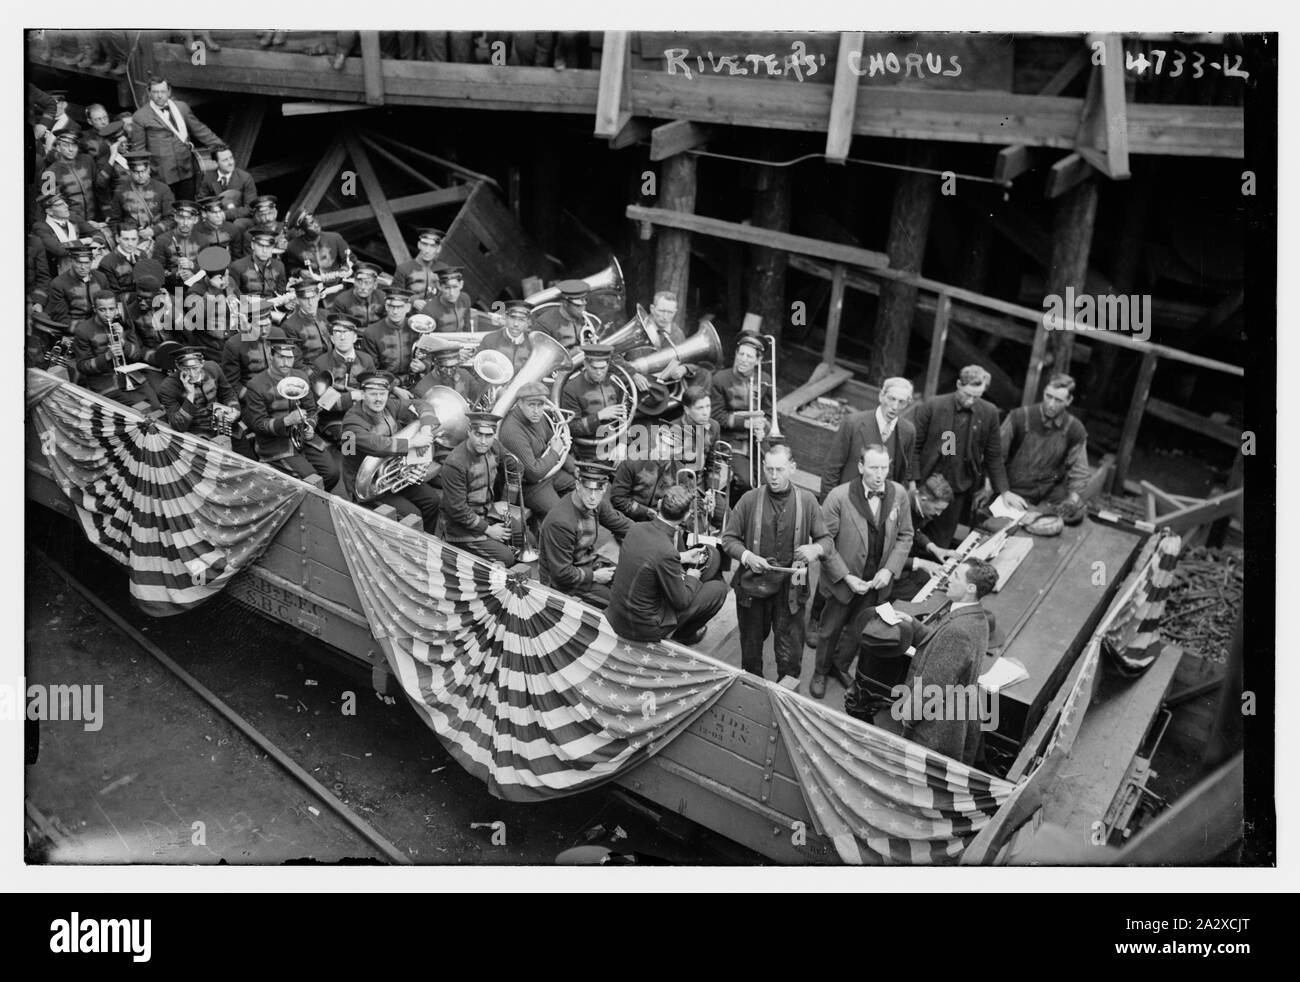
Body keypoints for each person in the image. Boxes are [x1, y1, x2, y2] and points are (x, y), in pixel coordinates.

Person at [721, 442, 832, 684]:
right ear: (763, 467)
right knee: (750, 656)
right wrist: (748, 557)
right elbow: (728, 539)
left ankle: (787, 705)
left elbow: (826, 540)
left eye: (779, 470)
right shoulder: (750, 500)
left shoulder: (808, 502)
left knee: (791, 657)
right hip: (753, 588)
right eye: (769, 469)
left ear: (792, 468)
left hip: (791, 589)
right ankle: (750, 696)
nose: (773, 476)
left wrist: (815, 548)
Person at [809, 445, 914, 699]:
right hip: (842, 581)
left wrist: (889, 571)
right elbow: (824, 541)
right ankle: (821, 671)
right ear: (860, 467)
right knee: (829, 629)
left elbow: (905, 535)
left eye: (884, 468)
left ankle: (840, 666)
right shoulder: (838, 496)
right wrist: (846, 577)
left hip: (876, 583)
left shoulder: (899, 494)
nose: (880, 474)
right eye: (873, 468)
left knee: (860, 630)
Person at [896, 559, 1000, 765]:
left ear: (970, 588)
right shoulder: (977, 616)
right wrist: (915, 626)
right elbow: (944, 646)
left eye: (956, 576)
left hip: (934, 730)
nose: (949, 578)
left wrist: (907, 717)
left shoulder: (957, 631)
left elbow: (933, 683)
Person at [909, 365, 1025, 549]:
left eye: (976, 397)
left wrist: (1004, 490)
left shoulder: (989, 412)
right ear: (958, 384)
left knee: (940, 543)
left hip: (956, 490)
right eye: (967, 394)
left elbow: (993, 455)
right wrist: (912, 483)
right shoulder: (933, 405)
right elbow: (913, 447)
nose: (971, 401)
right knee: (909, 533)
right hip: (925, 485)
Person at [605, 485, 728, 645]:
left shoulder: (636, 528)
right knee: (718, 590)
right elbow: (681, 601)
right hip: (642, 628)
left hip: (617, 614)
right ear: (686, 517)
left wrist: (681, 557)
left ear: (659, 504)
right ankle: (684, 636)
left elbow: (650, 556)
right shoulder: (667, 551)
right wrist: (692, 577)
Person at [339, 371, 442, 531]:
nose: (379, 399)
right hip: (365, 484)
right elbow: (375, 444)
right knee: (412, 515)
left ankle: (427, 542)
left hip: (393, 473)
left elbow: (422, 404)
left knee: (432, 500)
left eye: (383, 393)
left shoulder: (390, 406)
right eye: (373, 394)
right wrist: (412, 443)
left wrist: (426, 429)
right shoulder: (351, 421)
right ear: (362, 394)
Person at [241, 335, 340, 489]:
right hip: (276, 444)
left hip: (304, 437)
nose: (286, 363)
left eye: (290, 358)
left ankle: (314, 501)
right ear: (270, 355)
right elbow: (258, 424)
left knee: (332, 473)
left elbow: (312, 410)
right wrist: (286, 421)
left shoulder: (300, 376)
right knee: (313, 480)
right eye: (281, 357)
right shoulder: (256, 385)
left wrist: (311, 427)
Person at [995, 373, 1090, 525]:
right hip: (1014, 492)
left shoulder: (1075, 429)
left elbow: (1080, 472)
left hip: (1049, 495)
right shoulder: (1019, 417)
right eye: (1048, 396)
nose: (1051, 404)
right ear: (1044, 392)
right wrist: (1003, 491)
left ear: (1069, 401)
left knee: (1068, 523)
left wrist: (1072, 501)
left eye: (1058, 400)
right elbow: (996, 456)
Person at [538, 461, 632, 608]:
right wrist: (594, 576)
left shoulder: (595, 503)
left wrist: (656, 534)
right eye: (588, 489)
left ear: (605, 488)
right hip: (564, 584)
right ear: (578, 485)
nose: (593, 496)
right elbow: (561, 574)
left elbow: (623, 525)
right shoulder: (561, 522)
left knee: (629, 583)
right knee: (619, 604)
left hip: (587, 563)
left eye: (598, 490)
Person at [439, 411, 519, 565]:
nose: (483, 441)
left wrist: (506, 500)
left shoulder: (495, 447)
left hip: (489, 511)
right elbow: (457, 510)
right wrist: (488, 530)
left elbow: (516, 467)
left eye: (488, 436)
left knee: (522, 535)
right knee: (506, 557)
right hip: (460, 528)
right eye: (478, 434)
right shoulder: (455, 463)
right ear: (469, 432)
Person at [130, 77, 222, 203]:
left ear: (169, 91)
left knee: (188, 206)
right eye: (155, 92)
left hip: (186, 169)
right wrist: (143, 177)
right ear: (149, 93)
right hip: (161, 174)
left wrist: (221, 147)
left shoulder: (181, 107)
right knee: (168, 209)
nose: (159, 96)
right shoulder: (140, 116)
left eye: (162, 92)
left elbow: (199, 129)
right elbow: (139, 151)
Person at [820, 376, 916, 496]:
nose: (895, 406)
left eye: (901, 402)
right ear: (881, 396)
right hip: (849, 501)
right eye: (891, 399)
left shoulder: (908, 431)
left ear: (907, 403)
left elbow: (904, 472)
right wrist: (828, 506)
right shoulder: (853, 423)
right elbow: (832, 469)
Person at [498, 381, 576, 521]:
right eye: (531, 405)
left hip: (548, 473)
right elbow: (534, 473)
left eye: (540, 405)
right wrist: (555, 452)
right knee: (560, 516)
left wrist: (574, 468)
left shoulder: (537, 418)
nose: (536, 411)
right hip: (529, 486)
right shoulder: (512, 432)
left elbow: (554, 439)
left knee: (580, 490)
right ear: (520, 403)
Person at [71, 290, 158, 408]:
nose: (108, 314)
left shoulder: (125, 323)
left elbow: (137, 355)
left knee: (156, 404)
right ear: (95, 309)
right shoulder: (83, 331)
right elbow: (82, 366)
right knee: (142, 407)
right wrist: (106, 356)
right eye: (102, 310)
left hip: (133, 377)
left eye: (111, 309)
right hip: (106, 383)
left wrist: (123, 342)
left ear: (117, 308)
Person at [710, 333, 770, 498]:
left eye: (749, 356)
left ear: (758, 360)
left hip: (757, 440)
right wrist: (745, 423)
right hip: (730, 440)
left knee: (768, 479)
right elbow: (716, 415)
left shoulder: (765, 380)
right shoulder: (720, 379)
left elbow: (770, 414)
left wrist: (763, 428)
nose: (744, 359)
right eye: (741, 354)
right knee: (746, 481)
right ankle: (734, 510)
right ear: (736, 354)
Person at [156, 346, 240, 448]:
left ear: (202, 363)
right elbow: (179, 426)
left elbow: (228, 393)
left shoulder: (213, 369)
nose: (192, 374)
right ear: (178, 367)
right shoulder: (168, 387)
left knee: (246, 455)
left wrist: (234, 410)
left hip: (223, 421)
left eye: (195, 368)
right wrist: (190, 394)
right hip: (196, 433)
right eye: (186, 369)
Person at [312, 314, 375, 444]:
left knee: (387, 431)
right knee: (351, 442)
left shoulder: (366, 359)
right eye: (337, 332)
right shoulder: (321, 363)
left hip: (364, 414)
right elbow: (323, 403)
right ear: (332, 338)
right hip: (334, 419)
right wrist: (352, 396)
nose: (342, 336)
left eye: (347, 332)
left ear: (355, 337)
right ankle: (349, 463)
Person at [560, 343, 627, 462]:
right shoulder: (571, 389)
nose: (599, 372)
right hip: (588, 452)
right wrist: (599, 416)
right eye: (594, 368)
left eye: (603, 368)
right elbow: (571, 428)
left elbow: (626, 415)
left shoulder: (615, 381)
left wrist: (622, 444)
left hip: (616, 445)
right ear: (585, 364)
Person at [110, 150, 175, 246]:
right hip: (130, 241)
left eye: (143, 171)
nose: (140, 176)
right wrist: (121, 237)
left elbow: (171, 219)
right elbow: (114, 221)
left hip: (159, 238)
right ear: (130, 172)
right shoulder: (120, 191)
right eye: (136, 172)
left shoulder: (163, 189)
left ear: (149, 169)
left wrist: (153, 231)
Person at [32, 192, 95, 280]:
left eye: (65, 203)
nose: (66, 206)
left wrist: (95, 244)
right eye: (60, 205)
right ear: (49, 211)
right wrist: (84, 241)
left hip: (81, 267)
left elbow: (95, 232)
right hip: (56, 275)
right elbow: (60, 250)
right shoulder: (41, 227)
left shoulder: (73, 217)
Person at [360, 286, 419, 376]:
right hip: (383, 381)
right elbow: (370, 368)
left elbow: (427, 356)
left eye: (400, 307)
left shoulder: (416, 328)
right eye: (392, 306)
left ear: (408, 307)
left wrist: (424, 365)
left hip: (414, 379)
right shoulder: (372, 332)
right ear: (386, 306)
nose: (395, 312)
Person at [41, 130, 98, 223]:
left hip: (95, 220)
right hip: (71, 222)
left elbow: (98, 188)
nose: (71, 149)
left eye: (74, 145)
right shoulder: (50, 173)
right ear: (58, 148)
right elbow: (53, 205)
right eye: (66, 145)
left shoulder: (87, 160)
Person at [47, 244, 109, 325]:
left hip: (101, 324)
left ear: (92, 261)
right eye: (79, 263)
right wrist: (86, 329)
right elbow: (60, 318)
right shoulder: (58, 284)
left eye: (87, 263)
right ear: (71, 261)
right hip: (75, 329)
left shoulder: (100, 277)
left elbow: (108, 303)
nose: (83, 267)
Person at [197, 145, 258, 226]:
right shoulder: (208, 177)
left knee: (238, 224)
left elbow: (250, 208)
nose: (230, 162)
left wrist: (224, 215)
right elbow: (201, 202)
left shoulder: (246, 178)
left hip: (241, 218)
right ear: (216, 163)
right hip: (215, 218)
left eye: (231, 158)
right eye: (225, 160)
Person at [282, 210, 351, 282]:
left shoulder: (335, 238)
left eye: (315, 221)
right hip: (313, 288)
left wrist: (344, 269)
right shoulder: (292, 246)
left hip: (339, 284)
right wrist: (299, 272)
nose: (316, 225)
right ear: (302, 230)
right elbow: (289, 268)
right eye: (311, 224)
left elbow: (351, 259)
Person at [534, 279, 601, 354]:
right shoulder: (545, 324)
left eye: (584, 305)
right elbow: (544, 355)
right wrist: (572, 353)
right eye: (578, 306)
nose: (583, 309)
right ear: (565, 303)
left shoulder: (589, 320)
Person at [280, 274, 332, 364]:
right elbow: (296, 361)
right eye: (305, 299)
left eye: (313, 297)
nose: (311, 303)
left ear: (318, 296)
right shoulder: (289, 326)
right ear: (297, 300)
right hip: (311, 371)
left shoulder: (326, 314)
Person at [391, 228, 444, 310]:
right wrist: (412, 301)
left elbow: (449, 297)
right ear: (419, 245)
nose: (427, 250)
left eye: (432, 246)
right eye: (424, 244)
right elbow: (393, 295)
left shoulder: (443, 269)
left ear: (439, 249)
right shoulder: (404, 268)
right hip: (409, 316)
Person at [477, 301, 535, 375]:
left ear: (528, 322)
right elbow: (478, 370)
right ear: (506, 317)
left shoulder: (533, 345)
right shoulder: (489, 340)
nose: (516, 324)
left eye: (521, 320)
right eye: (512, 318)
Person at [153, 200, 203, 286]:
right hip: (174, 286)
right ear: (175, 217)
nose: (185, 223)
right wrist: (175, 274)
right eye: (181, 218)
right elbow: (157, 270)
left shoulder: (203, 240)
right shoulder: (162, 240)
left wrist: (192, 267)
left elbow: (208, 270)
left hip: (197, 285)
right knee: (178, 297)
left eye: (190, 218)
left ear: (196, 220)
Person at [229, 229, 288, 301]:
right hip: (247, 309)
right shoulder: (237, 266)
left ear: (273, 247)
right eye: (260, 246)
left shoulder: (279, 266)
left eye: (268, 246)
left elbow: (281, 292)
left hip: (273, 307)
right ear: (252, 245)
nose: (265, 251)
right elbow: (233, 295)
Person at [330, 261, 386, 330]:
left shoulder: (383, 298)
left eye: (367, 283)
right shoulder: (341, 301)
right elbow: (337, 328)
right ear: (354, 281)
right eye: (359, 281)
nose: (362, 287)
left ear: (375, 285)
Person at [193, 195, 242, 259]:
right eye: (214, 213)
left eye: (220, 211)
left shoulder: (232, 228)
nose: (219, 216)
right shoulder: (196, 231)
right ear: (204, 214)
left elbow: (237, 256)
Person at [426, 266, 473, 332]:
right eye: (447, 288)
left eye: (455, 287)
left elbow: (467, 325)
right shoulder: (429, 309)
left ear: (461, 284)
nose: (452, 293)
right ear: (439, 286)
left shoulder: (464, 299)